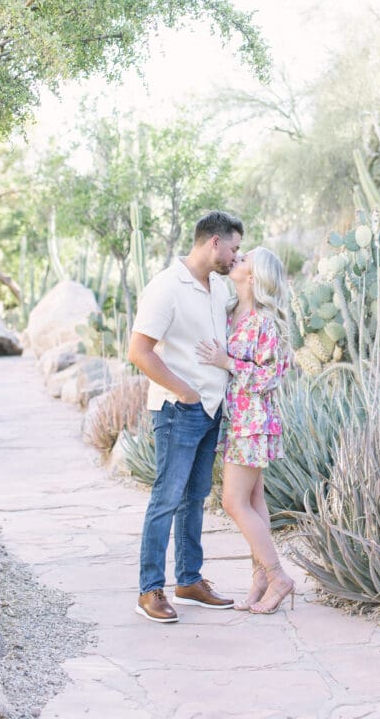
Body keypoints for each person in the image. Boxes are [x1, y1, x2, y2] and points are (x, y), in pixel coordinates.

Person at [128, 210, 244, 623]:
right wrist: (185, 391)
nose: (235, 256)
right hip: (180, 410)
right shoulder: (166, 287)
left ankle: (189, 581)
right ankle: (150, 591)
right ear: (214, 242)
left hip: (211, 409)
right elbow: (138, 351)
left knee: (194, 499)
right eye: (233, 248)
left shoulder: (215, 286)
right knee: (167, 497)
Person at [196, 246, 295, 615]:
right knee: (253, 502)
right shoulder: (229, 312)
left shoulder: (264, 322)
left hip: (253, 421)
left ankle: (278, 575)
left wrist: (228, 362)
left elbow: (273, 376)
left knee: (232, 502)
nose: (236, 259)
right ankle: (260, 577)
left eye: (244, 259)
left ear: (252, 277)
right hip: (236, 418)